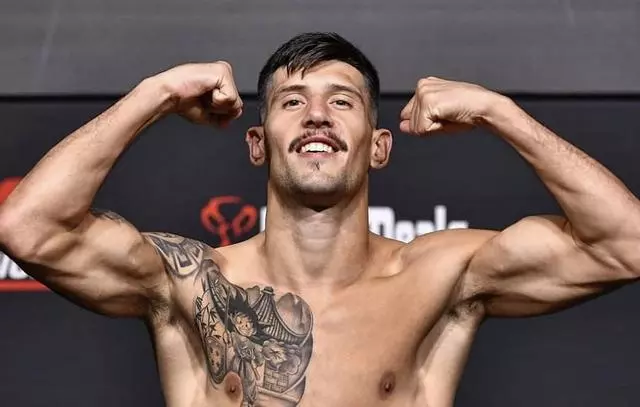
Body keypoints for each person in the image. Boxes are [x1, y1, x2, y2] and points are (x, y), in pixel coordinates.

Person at [0, 31, 639, 407]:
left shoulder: (439, 276)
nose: (316, 116)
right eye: (291, 101)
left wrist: (501, 112)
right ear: (257, 144)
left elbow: (626, 245)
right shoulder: (192, 281)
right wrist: (156, 92)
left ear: (378, 147)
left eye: (342, 102)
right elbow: (29, 229)